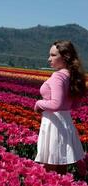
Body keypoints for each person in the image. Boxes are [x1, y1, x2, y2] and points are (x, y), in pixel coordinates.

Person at [34, 40, 87, 175]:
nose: (49, 59)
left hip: (54, 123)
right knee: (61, 165)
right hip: (65, 121)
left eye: (53, 55)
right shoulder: (73, 76)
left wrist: (39, 104)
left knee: (50, 168)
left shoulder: (58, 76)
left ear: (65, 57)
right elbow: (76, 104)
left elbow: (55, 104)